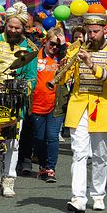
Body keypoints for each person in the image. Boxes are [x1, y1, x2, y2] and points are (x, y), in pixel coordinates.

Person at [62, 13, 107, 213]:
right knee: (79, 153)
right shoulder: (75, 49)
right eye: (89, 32)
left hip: (103, 106)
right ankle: (78, 198)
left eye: (96, 32)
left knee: (100, 155)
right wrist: (64, 68)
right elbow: (63, 80)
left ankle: (98, 194)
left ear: (104, 31)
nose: (92, 35)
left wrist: (91, 64)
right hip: (79, 106)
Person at [0, 1, 38, 197]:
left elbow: (31, 77)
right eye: (10, 26)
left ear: (23, 28)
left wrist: (23, 91)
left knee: (13, 140)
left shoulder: (30, 47)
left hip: (14, 97)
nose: (13, 30)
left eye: (17, 27)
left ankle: (9, 178)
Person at [31, 27, 66, 183]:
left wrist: (63, 46)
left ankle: (51, 168)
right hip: (37, 104)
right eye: (52, 44)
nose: (54, 48)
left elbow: (72, 52)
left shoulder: (62, 57)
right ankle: (43, 166)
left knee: (52, 137)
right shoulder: (35, 56)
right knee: (39, 138)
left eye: (58, 45)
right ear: (45, 42)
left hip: (55, 105)